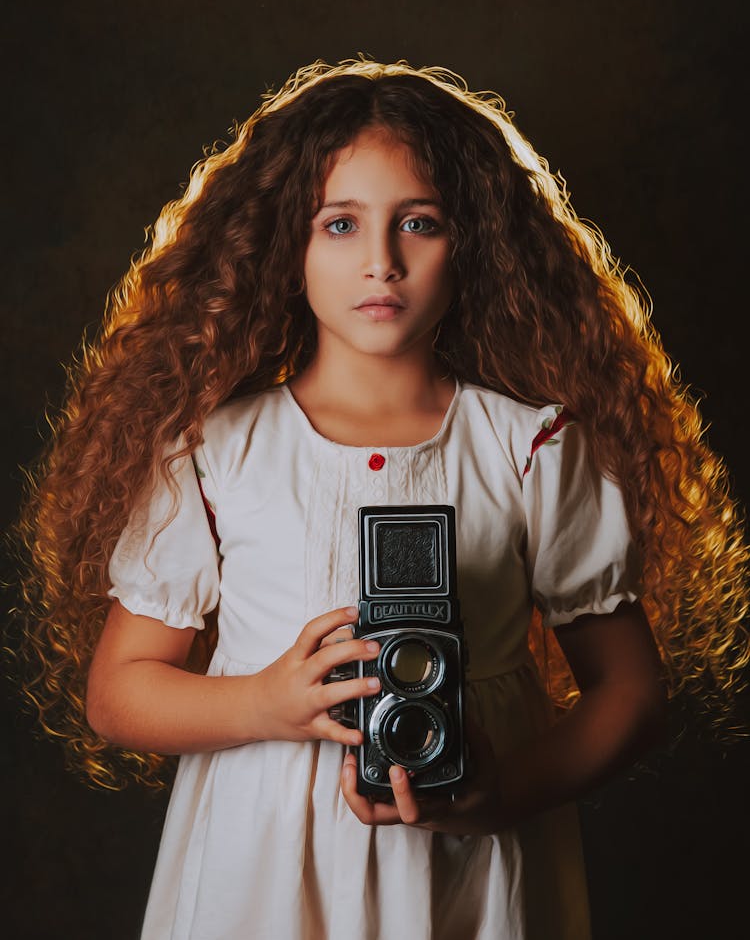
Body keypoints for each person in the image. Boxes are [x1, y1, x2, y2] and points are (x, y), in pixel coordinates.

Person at [16, 59, 748, 940]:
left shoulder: (532, 450)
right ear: (286, 242)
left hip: (472, 874)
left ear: (472, 241)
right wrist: (263, 702)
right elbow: (119, 692)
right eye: (340, 223)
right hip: (262, 874)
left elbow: (629, 690)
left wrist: (500, 794)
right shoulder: (214, 450)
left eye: (419, 222)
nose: (381, 261)